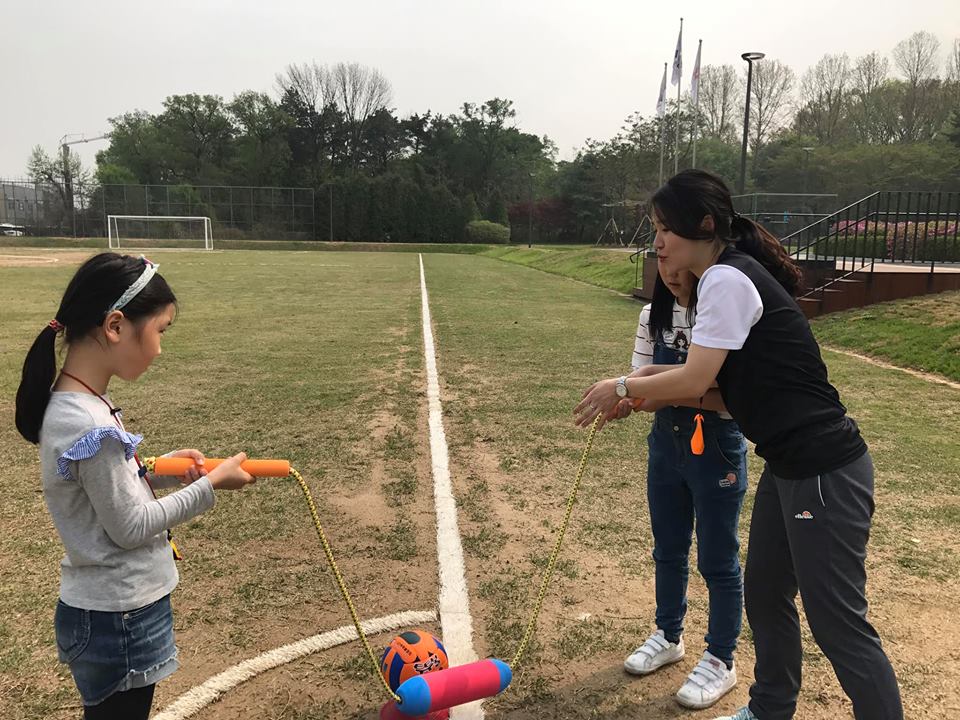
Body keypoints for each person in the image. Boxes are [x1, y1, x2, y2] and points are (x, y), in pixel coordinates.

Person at [575, 170, 903, 720]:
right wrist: (643, 384)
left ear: (704, 225)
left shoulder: (726, 278)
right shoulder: (721, 280)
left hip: (824, 470)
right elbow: (721, 393)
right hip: (788, 466)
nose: (658, 242)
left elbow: (694, 379)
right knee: (766, 593)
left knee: (837, 623)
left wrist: (625, 387)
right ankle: (769, 709)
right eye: (655, 229)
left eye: (665, 228)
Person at [15, 253, 256, 720]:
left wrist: (162, 471)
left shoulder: (82, 402)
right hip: (119, 615)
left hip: (113, 611)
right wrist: (211, 486)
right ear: (115, 326)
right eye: (160, 331)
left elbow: (107, 488)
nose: (160, 349)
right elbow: (129, 526)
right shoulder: (86, 422)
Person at [613, 264, 748, 710]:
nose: (670, 272)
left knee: (718, 559)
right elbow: (643, 388)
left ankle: (721, 658)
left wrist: (648, 390)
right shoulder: (652, 315)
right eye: (661, 258)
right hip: (666, 445)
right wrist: (628, 401)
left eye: (678, 261)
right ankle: (668, 635)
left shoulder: (720, 312)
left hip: (717, 446)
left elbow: (733, 398)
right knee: (668, 549)